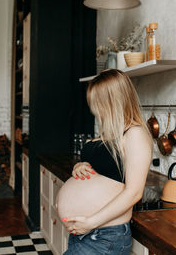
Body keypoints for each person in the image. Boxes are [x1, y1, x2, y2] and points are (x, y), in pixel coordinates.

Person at [56, 69, 152, 255]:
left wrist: (90, 223)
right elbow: (100, 170)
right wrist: (79, 166)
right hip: (83, 233)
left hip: (105, 235)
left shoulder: (134, 134)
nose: (94, 108)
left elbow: (134, 192)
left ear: (115, 100)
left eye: (98, 102)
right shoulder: (106, 135)